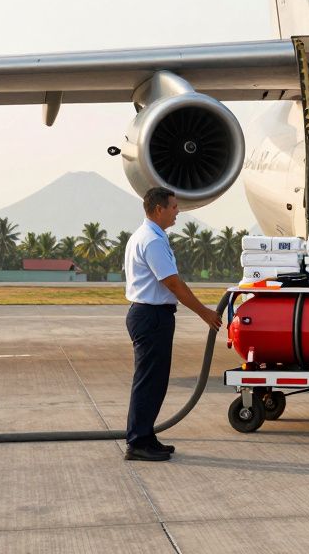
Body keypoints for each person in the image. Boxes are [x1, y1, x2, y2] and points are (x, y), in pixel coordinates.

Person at [123, 186, 222, 461]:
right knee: (149, 381)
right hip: (151, 316)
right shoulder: (152, 241)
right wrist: (205, 312)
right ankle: (138, 442)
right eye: (174, 207)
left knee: (154, 381)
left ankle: (145, 436)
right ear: (159, 209)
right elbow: (173, 283)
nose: (177, 212)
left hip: (150, 315)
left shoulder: (147, 236)